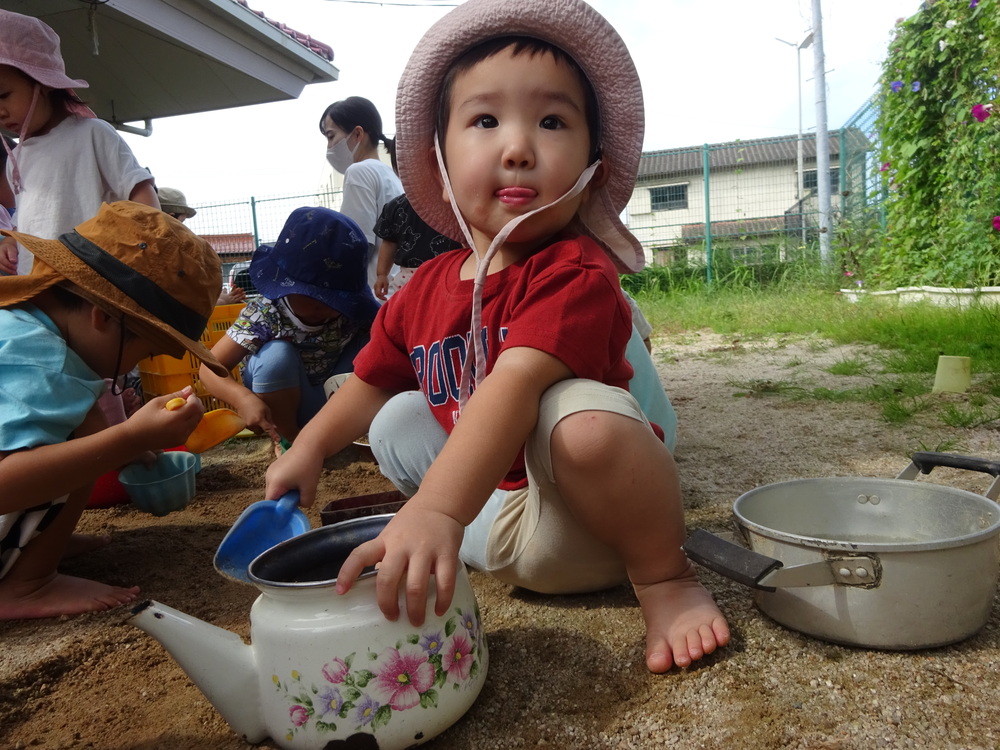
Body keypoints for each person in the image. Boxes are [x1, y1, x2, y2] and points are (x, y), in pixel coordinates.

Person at [265, 0, 730, 673]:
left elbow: (513, 384)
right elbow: (367, 382)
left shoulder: (574, 273)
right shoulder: (424, 287)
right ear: (437, 157)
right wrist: (308, 447)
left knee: (581, 423)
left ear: (593, 162)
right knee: (397, 414)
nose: (518, 147)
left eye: (552, 121)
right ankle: (435, 535)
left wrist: (436, 510)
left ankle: (666, 581)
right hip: (492, 517)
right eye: (485, 121)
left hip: (577, 527)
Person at [0, 201, 230, 619]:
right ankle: (27, 584)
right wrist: (130, 437)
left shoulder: (29, 328)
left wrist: (128, 447)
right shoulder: (43, 362)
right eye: (144, 349)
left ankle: (37, 546)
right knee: (90, 449)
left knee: (90, 437)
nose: (136, 365)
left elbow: (85, 425)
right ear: (102, 317)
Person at [198, 206, 380, 446]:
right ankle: (289, 441)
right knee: (275, 356)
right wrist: (243, 400)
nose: (326, 308)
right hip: (283, 405)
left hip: (338, 404)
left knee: (377, 341)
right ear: (286, 285)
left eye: (337, 299)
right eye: (316, 298)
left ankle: (350, 433)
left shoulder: (353, 311)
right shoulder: (265, 313)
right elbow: (209, 368)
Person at [0, 10, 159, 277]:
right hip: (38, 286)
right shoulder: (16, 158)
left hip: (92, 283)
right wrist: (11, 241)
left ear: (44, 82)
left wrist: (141, 252)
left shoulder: (92, 134)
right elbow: (26, 219)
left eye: (3, 94)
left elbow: (141, 193)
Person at [319, 96, 403, 294]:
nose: (329, 147)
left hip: (377, 298)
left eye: (331, 136)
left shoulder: (359, 172)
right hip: (398, 292)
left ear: (357, 134)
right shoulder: (391, 175)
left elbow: (356, 244)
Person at [157, 186, 246, 306]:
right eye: (182, 222)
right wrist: (221, 301)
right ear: (171, 217)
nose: (183, 228)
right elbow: (185, 302)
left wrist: (216, 297)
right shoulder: (173, 250)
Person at [372, 193, 462, 300]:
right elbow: (389, 242)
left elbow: (389, 243)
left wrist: (382, 274)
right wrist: (382, 274)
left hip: (450, 275)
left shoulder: (458, 204)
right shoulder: (398, 205)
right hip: (411, 278)